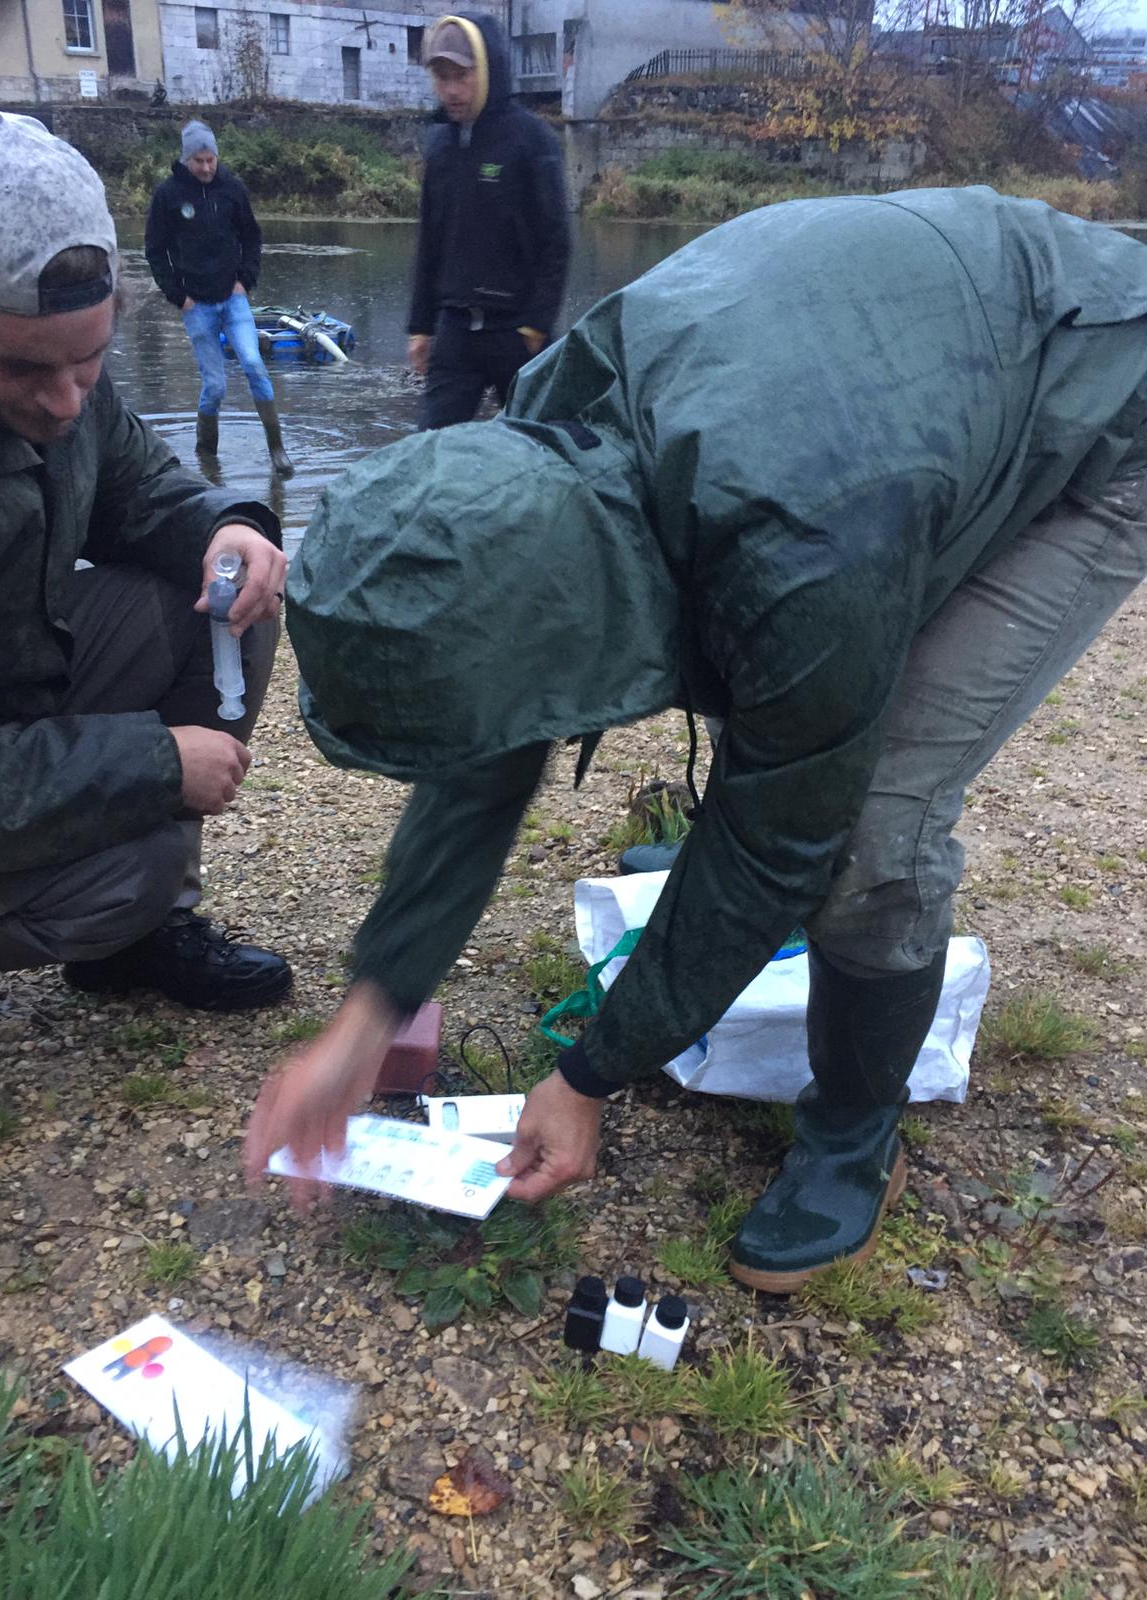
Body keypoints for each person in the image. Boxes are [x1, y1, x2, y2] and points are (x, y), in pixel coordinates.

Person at [246, 187, 1147, 1293]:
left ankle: (855, 1131)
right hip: (885, 383)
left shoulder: (804, 548)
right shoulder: (536, 433)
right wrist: (370, 1010)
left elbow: (782, 840)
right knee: (787, 701)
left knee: (869, 819)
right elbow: (491, 735)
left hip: (1099, 394)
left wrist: (589, 1076)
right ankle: (718, 909)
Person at [0, 107, 293, 1032]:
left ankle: (134, 939)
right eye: (25, 370)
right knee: (131, 868)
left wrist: (227, 527)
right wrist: (155, 763)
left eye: (91, 360)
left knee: (228, 602)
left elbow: (142, 491)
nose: (66, 401)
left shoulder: (66, 390)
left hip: (11, 694)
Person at [407, 13, 570, 430]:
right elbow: (430, 241)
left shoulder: (532, 140)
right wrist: (421, 327)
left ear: (488, 69)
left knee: (538, 447)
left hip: (518, 331)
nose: (451, 90)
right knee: (430, 448)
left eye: (462, 75)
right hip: (455, 331)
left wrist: (537, 324)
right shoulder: (440, 144)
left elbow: (556, 241)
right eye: (442, 77)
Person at [145, 120, 293, 477]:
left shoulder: (232, 189)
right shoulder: (167, 195)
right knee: (214, 386)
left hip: (233, 298)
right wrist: (178, 296)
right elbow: (155, 251)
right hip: (195, 305)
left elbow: (252, 237)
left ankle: (277, 450)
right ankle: (206, 455)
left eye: (210, 160)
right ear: (187, 159)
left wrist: (245, 280)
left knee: (254, 364)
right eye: (199, 161)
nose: (206, 167)